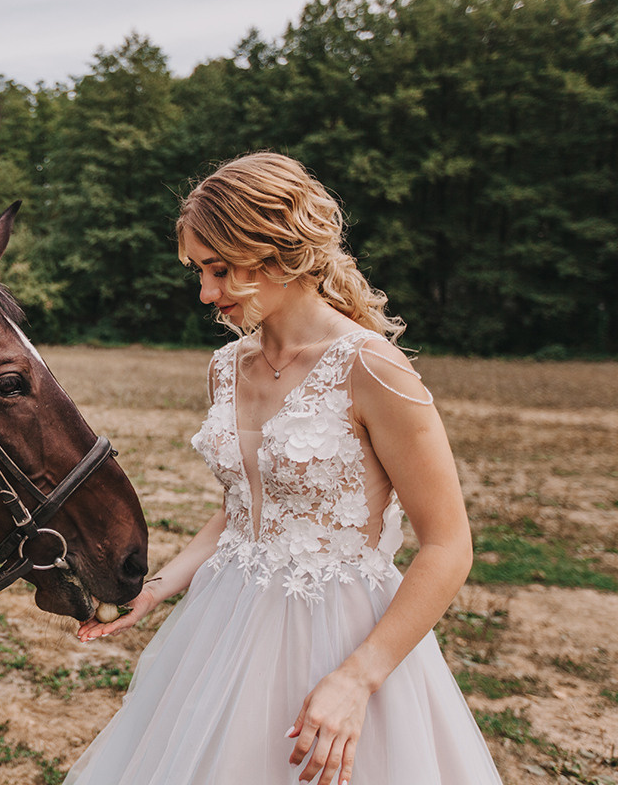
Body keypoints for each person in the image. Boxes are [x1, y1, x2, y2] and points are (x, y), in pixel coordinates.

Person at [65, 152, 503, 785]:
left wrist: (358, 678)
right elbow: (242, 511)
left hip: (343, 633)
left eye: (220, 270)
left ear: (278, 252)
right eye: (199, 271)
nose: (206, 293)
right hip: (225, 621)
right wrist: (157, 589)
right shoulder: (226, 367)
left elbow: (448, 545)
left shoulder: (372, 368)